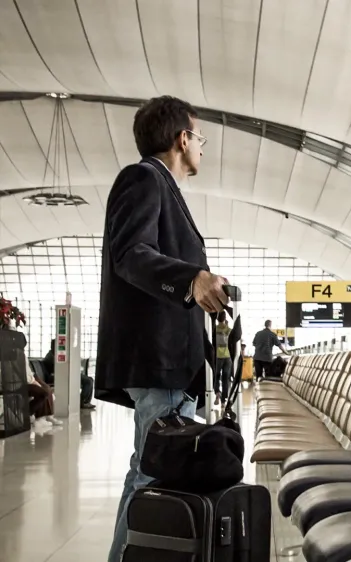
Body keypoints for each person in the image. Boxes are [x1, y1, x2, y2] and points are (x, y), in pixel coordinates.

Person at [95, 95, 230, 562]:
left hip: (171, 360)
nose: (202, 148)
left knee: (150, 469)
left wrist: (203, 288)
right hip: (159, 357)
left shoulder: (162, 186)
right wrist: (191, 279)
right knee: (152, 474)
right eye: (199, 138)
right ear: (182, 138)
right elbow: (131, 253)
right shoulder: (144, 178)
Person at [42, 338, 95, 410]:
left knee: (90, 380)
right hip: (58, 377)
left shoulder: (53, 355)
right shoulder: (51, 357)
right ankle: (82, 402)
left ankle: (85, 401)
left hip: (62, 375)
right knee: (88, 381)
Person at [214, 314, 232, 405]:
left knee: (216, 376)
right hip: (227, 356)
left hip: (217, 356)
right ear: (225, 318)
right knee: (225, 378)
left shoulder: (214, 329)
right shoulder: (228, 330)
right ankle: (224, 401)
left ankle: (217, 393)